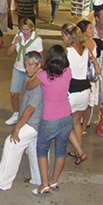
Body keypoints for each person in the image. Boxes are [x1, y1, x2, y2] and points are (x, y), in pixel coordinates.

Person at [0, 51, 45, 191]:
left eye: (31, 65)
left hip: (32, 124)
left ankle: (2, 182)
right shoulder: (36, 78)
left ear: (39, 65)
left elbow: (30, 109)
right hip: (37, 123)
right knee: (34, 149)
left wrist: (17, 127)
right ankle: (38, 178)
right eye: (26, 65)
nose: (27, 68)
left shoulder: (39, 83)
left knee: (11, 143)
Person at [26, 45, 74, 194]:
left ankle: (44, 184)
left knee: (42, 150)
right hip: (67, 117)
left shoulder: (44, 76)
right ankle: (54, 180)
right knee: (60, 151)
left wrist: (38, 72)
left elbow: (28, 86)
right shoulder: (68, 72)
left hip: (49, 119)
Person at [4, 18, 43, 125]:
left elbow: (40, 58)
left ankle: (27, 117)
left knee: (28, 95)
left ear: (32, 29)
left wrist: (37, 74)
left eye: (27, 29)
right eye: (22, 29)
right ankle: (16, 114)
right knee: (13, 94)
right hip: (18, 68)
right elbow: (8, 53)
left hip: (30, 72)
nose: (25, 32)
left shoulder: (37, 40)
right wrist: (14, 43)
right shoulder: (18, 36)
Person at [61, 22, 89, 164]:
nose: (62, 38)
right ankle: (78, 150)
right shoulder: (85, 50)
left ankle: (80, 151)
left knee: (65, 123)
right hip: (85, 89)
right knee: (77, 122)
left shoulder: (68, 51)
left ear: (68, 35)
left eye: (63, 35)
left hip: (71, 90)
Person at [76, 20, 102, 136]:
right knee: (81, 102)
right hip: (81, 76)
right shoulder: (78, 44)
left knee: (89, 104)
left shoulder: (93, 42)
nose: (93, 30)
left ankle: (84, 125)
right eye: (90, 28)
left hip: (91, 77)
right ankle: (77, 123)